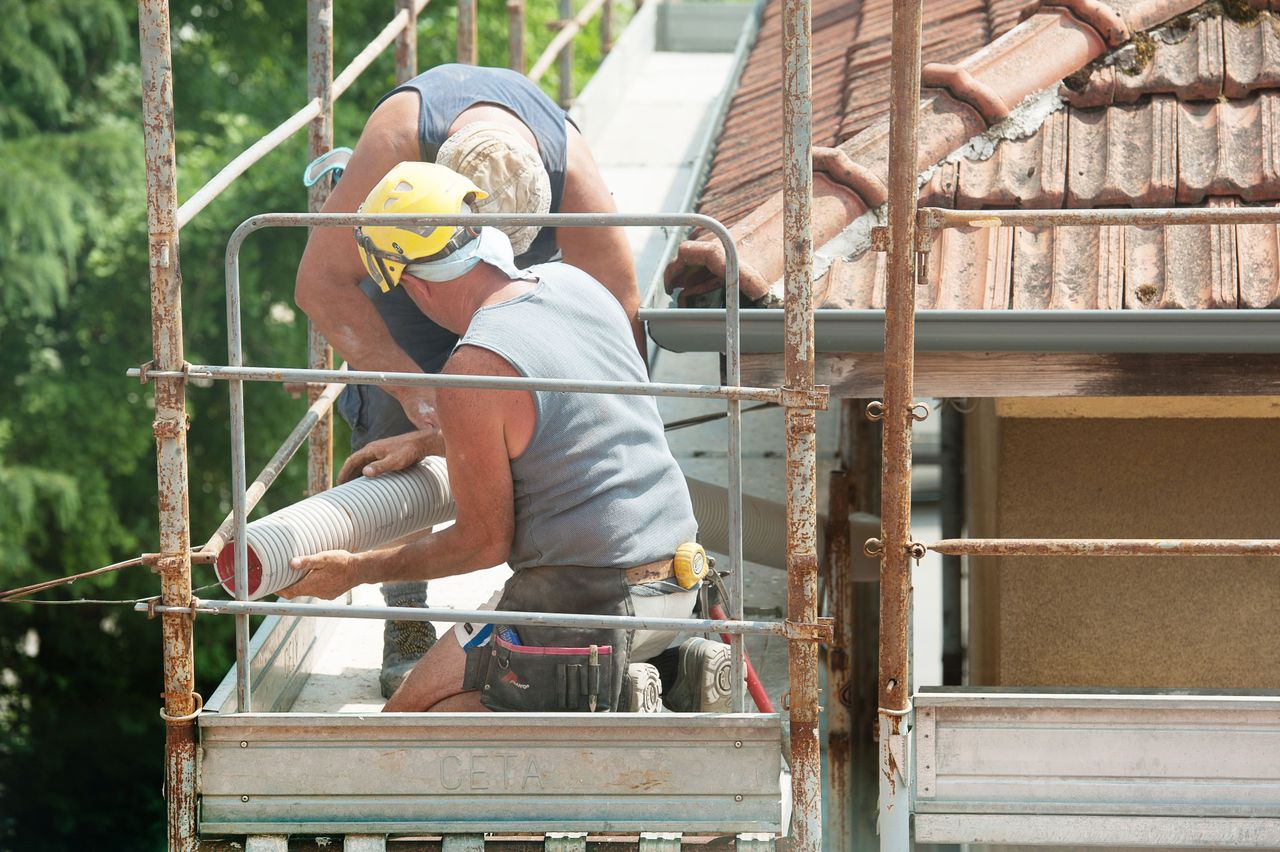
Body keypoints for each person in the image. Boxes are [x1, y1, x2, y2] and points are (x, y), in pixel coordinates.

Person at [282, 162, 727, 713]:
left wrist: (355, 570)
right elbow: (567, 424)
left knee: (405, 722)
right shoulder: (576, 284)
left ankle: (616, 700)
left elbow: (481, 542)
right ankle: (661, 674)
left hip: (584, 605)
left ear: (415, 285)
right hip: (682, 582)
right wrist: (431, 443)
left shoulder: (474, 366)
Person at [293, 65, 641, 696]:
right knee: (398, 405)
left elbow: (618, 319)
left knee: (502, 392)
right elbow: (320, 283)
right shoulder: (398, 144)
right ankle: (406, 616)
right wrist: (411, 390)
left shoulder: (569, 171)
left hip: (523, 284)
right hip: (409, 254)